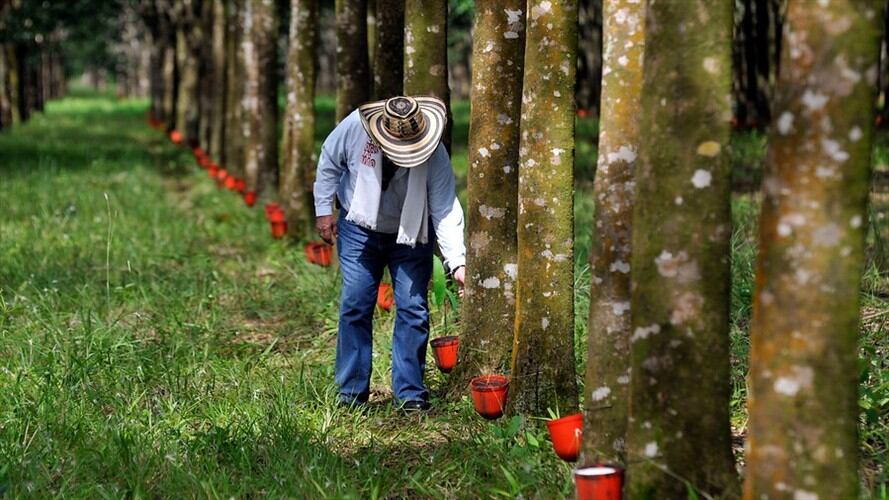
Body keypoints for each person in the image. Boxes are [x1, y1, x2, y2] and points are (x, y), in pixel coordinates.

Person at [313, 96, 466, 412]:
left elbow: (445, 206)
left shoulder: (434, 153)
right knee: (355, 303)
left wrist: (458, 262)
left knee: (413, 309)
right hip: (358, 229)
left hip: (410, 233)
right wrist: (323, 209)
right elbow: (330, 159)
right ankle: (351, 394)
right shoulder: (356, 127)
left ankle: (410, 393)